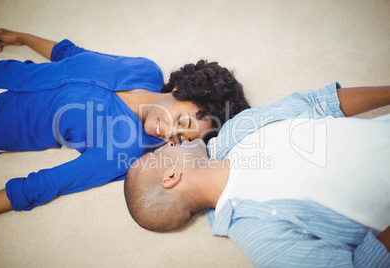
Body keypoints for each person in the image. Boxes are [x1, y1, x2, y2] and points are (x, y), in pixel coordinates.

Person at [0, 28, 250, 217]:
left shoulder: (126, 148)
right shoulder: (145, 69)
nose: (170, 134)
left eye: (181, 139)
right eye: (181, 120)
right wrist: (21, 38)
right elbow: (71, 55)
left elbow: (45, 184)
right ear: (180, 89)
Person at [124, 82, 390, 267]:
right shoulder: (258, 235)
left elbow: (320, 103)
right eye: (157, 155)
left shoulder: (236, 130)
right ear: (171, 177)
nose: (169, 142)